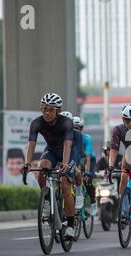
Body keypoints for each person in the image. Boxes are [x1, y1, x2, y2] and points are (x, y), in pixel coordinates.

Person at [22, 93, 77, 239]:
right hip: (51, 151)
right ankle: (46, 199)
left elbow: (67, 145)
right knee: (41, 167)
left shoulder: (66, 123)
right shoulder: (37, 123)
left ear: (57, 111)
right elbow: (31, 144)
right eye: (44, 109)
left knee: (65, 185)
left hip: (69, 153)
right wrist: (27, 162)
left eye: (50, 110)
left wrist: (65, 163)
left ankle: (71, 225)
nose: (46, 112)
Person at [60, 111, 85, 210]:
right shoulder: (55, 133)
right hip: (62, 159)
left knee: (77, 172)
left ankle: (79, 193)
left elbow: (78, 153)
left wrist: (76, 166)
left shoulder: (77, 134)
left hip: (77, 157)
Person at [73, 116, 98, 216]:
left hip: (89, 160)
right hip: (75, 159)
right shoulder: (67, 138)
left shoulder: (87, 138)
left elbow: (87, 156)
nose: (74, 130)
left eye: (77, 128)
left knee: (87, 181)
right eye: (72, 128)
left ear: (81, 129)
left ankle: (93, 201)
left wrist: (87, 172)